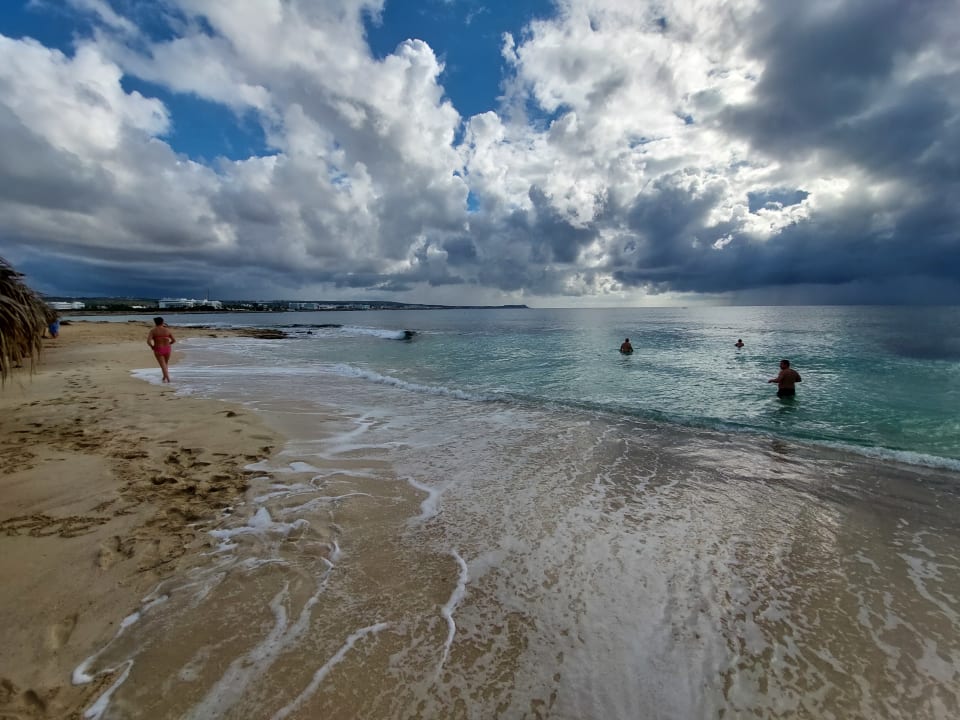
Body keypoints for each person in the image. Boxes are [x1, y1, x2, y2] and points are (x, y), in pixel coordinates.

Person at [147, 317, 176, 383]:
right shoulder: (167, 330)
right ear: (162, 322)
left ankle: (168, 379)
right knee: (165, 364)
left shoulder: (153, 330)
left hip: (158, 348)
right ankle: (164, 377)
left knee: (163, 365)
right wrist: (169, 344)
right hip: (167, 348)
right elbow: (174, 340)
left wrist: (152, 347)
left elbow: (148, 341)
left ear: (155, 322)